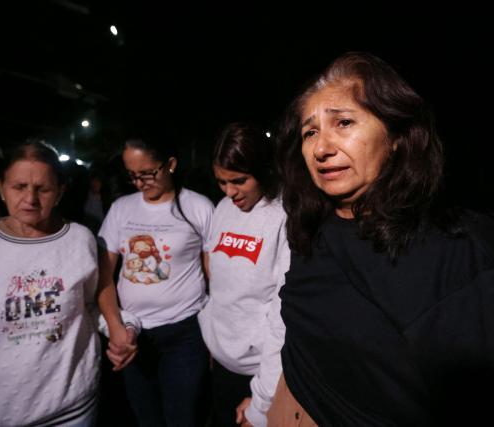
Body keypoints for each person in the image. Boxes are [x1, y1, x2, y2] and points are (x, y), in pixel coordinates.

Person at [269, 52, 494, 426]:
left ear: (395, 137)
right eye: (310, 132)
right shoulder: (313, 227)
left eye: (343, 122)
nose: (321, 148)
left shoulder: (447, 254)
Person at [0, 140, 138, 427]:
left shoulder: (79, 239)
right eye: (19, 187)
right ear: (1, 188)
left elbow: (91, 305)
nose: (30, 199)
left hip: (72, 408)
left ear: (60, 191)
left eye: (42, 189)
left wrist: (124, 328)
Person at [97, 131, 214, 426]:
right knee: (145, 417)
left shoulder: (197, 207)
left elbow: (215, 276)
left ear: (170, 164)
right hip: (133, 334)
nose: (139, 183)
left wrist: (217, 335)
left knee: (182, 418)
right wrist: (116, 327)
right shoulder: (121, 209)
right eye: (132, 175)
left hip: (184, 334)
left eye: (147, 173)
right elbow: (103, 277)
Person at [198, 123, 289, 427]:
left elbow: (284, 312)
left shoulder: (284, 215)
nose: (229, 191)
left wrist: (262, 400)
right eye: (221, 182)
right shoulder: (223, 208)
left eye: (238, 181)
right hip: (223, 361)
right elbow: (214, 273)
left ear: (263, 170)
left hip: (261, 368)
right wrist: (215, 339)